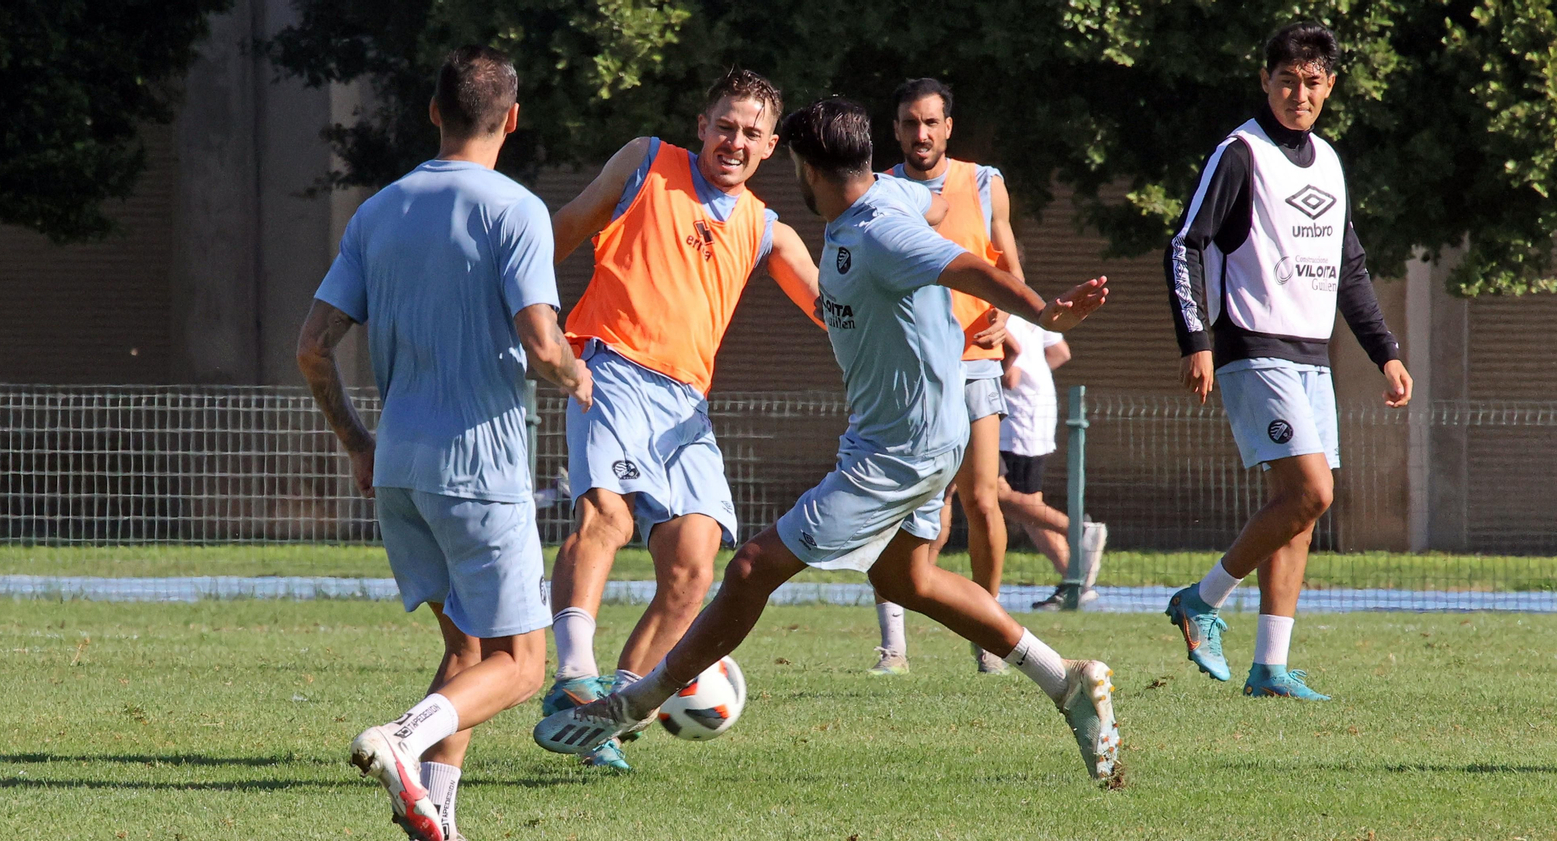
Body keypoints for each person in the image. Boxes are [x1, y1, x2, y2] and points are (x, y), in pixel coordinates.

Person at [534, 98, 1123, 784]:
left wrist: (1040, 311)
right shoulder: (888, 197)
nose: (738, 143)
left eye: (757, 135)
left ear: (799, 164)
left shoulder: (876, 232)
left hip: (897, 452)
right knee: (908, 578)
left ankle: (631, 702)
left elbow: (960, 263)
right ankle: (1066, 681)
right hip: (921, 437)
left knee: (751, 566)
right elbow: (930, 212)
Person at [297, 47, 592, 841]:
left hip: (399, 468)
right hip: (481, 472)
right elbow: (540, 342)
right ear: (514, 119)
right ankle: (403, 735)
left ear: (434, 112)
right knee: (524, 665)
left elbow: (313, 348)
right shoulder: (517, 209)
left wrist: (358, 441)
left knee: (467, 652)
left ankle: (436, 836)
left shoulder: (378, 211)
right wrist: (577, 374)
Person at [540, 69, 823, 771]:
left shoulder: (768, 229)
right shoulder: (645, 162)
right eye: (725, 125)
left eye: (751, 133)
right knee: (608, 515)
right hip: (612, 367)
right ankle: (575, 676)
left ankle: (611, 714)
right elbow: (565, 227)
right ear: (702, 124)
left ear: (770, 146)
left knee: (695, 567)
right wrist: (525, 319)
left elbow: (834, 311)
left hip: (686, 406)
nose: (735, 140)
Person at [1164, 22, 1412, 700]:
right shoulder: (1240, 153)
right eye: (1286, 79)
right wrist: (1197, 341)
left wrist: (1385, 352)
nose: (1298, 93)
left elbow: (1349, 269)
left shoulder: (1329, 163)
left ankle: (1269, 666)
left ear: (1329, 86)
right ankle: (1202, 600)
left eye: (1312, 82)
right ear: (1265, 80)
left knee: (1298, 513)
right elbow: (1184, 245)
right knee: (1312, 493)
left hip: (1311, 355)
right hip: (1252, 345)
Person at [870, 78, 1018, 676]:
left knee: (982, 499)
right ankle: (894, 646)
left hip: (974, 363)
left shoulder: (984, 182)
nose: (921, 133)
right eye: (910, 122)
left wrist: (1007, 314)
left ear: (948, 127)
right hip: (909, 370)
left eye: (931, 122)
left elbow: (1004, 257)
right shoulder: (881, 190)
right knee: (906, 504)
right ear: (897, 127)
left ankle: (988, 635)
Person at [994, 316, 1109, 611]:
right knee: (1027, 509)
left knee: (1005, 498)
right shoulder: (1025, 308)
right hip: (1034, 413)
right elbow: (1061, 352)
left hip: (1016, 421)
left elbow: (1011, 375)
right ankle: (1075, 582)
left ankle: (1080, 530)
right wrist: (1036, 377)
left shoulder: (995, 312)